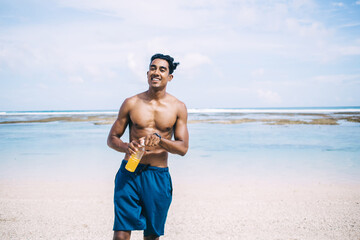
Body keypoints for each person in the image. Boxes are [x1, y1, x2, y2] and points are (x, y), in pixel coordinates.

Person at [107, 53, 189, 240]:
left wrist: (160, 140)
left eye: (162, 69)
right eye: (153, 68)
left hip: (158, 175)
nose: (156, 72)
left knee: (151, 236)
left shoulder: (178, 107)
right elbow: (112, 138)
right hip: (129, 171)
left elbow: (183, 148)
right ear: (147, 73)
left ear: (170, 77)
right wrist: (126, 146)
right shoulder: (131, 103)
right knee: (120, 235)